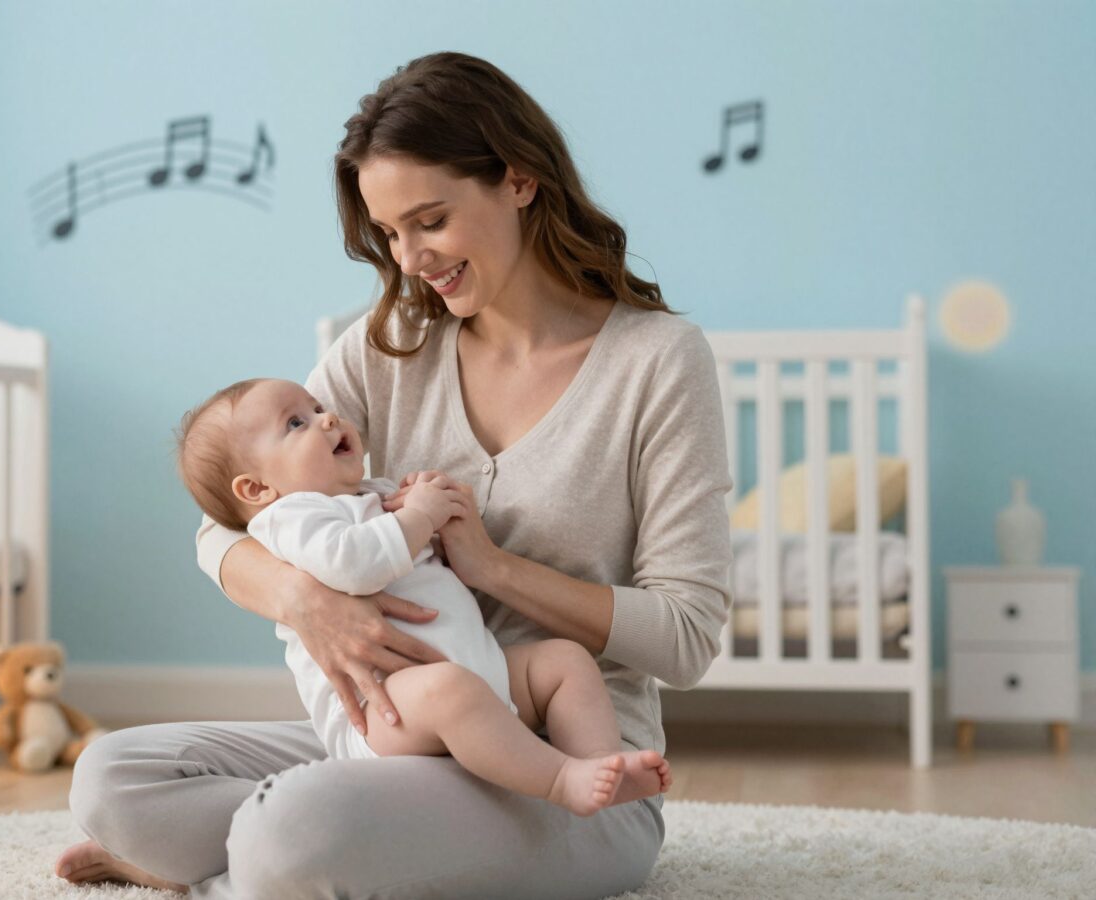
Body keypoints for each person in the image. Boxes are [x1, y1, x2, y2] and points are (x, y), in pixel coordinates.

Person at [56, 51, 732, 899]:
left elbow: (685, 637)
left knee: (294, 823)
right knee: (114, 776)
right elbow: (223, 528)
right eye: (390, 234)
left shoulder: (657, 361)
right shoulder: (393, 347)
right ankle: (277, 859)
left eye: (430, 220)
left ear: (520, 179)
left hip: (568, 768)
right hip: (399, 734)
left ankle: (231, 869)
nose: (409, 259)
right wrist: (305, 602)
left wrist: (493, 569)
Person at [173, 375, 672, 815]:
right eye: (296, 423)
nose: (327, 419)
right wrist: (419, 516)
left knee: (565, 662)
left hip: (480, 673)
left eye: (319, 407)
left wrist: (432, 506)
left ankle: (601, 765)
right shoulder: (289, 518)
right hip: (385, 715)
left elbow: (415, 558)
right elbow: (356, 564)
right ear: (256, 490)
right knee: (449, 690)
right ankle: (561, 780)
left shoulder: (367, 493)